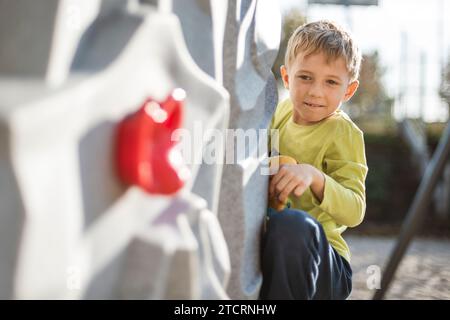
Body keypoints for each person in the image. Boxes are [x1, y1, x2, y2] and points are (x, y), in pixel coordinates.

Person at [260, 20, 368, 300]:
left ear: (348, 90)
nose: (315, 92)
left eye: (331, 82)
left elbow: (355, 210)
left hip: (325, 265)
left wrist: (316, 177)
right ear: (286, 78)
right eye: (305, 77)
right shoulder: (280, 111)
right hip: (276, 248)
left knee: (293, 226)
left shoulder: (343, 132)